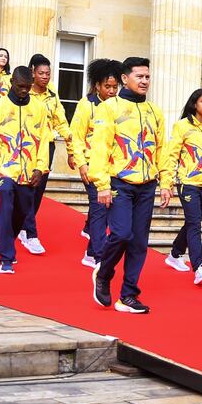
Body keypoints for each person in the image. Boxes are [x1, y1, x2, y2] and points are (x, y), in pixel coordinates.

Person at [90, 57, 173, 314]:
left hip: (147, 185)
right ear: (125, 78)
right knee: (122, 234)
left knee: (138, 242)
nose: (145, 81)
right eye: (140, 76)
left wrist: (166, 182)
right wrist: (102, 184)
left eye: (147, 77)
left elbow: (163, 149)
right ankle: (104, 273)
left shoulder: (155, 111)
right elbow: (100, 147)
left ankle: (128, 295)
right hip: (119, 183)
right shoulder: (109, 108)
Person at [0, 67, 48, 274]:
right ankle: (7, 258)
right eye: (20, 87)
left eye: (27, 87)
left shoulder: (40, 107)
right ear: (12, 83)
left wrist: (41, 167)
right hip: (4, 168)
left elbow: (44, 138)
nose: (24, 91)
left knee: (22, 211)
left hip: (29, 170)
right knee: (7, 205)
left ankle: (7, 241)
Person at [16, 54, 82, 255]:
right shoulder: (23, 93)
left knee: (37, 192)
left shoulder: (52, 94)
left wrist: (71, 143)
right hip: (25, 146)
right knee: (27, 189)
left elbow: (60, 121)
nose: (45, 77)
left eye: (48, 73)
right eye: (41, 73)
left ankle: (21, 226)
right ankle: (31, 234)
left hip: (47, 147)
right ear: (32, 72)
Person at [71, 58, 122, 268]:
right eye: (107, 86)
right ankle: (100, 255)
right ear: (97, 86)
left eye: (115, 87)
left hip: (113, 167)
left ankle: (91, 253)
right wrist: (81, 163)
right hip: (92, 165)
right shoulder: (87, 104)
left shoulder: (119, 106)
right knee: (100, 207)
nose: (111, 90)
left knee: (104, 210)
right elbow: (76, 135)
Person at [164, 88, 202, 283]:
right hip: (188, 182)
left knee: (194, 220)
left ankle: (175, 253)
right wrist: (167, 182)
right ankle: (198, 267)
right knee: (195, 223)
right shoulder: (182, 126)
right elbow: (172, 155)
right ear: (194, 103)